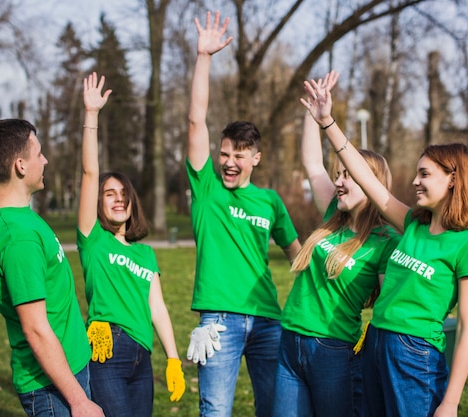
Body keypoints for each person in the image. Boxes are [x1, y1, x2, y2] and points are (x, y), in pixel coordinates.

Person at [301, 70, 468, 417]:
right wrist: (328, 122)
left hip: (415, 353)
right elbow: (365, 177)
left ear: (453, 179)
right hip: (375, 340)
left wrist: (450, 403)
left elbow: (467, 328)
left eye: (425, 174)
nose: (415, 181)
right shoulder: (412, 224)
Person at [0, 49, 104, 417]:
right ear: (19, 165)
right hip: (53, 387)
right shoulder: (19, 242)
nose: (44, 160)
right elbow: (36, 330)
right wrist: (79, 401)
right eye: (39, 154)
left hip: (67, 368)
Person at [186, 11, 301, 417]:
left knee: (276, 409)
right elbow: (196, 120)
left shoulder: (270, 201)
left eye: (239, 155)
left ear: (255, 157)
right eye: (224, 153)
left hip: (269, 320)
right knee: (216, 410)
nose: (229, 162)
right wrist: (204, 57)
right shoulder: (206, 189)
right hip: (219, 320)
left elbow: (298, 257)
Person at [272, 110, 401, 417]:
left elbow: (387, 308)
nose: (339, 181)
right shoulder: (334, 215)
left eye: (347, 175)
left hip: (333, 350)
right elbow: (313, 165)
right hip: (290, 339)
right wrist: (312, 113)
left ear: (370, 184)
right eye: (339, 174)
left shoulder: (386, 241)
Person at [78, 73, 186, 416]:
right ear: (99, 202)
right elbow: (89, 173)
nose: (118, 199)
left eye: (124, 194)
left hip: (143, 355)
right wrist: (91, 116)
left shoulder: (145, 252)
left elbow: (158, 307)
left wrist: (173, 359)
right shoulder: (92, 239)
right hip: (107, 349)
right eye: (110, 194)